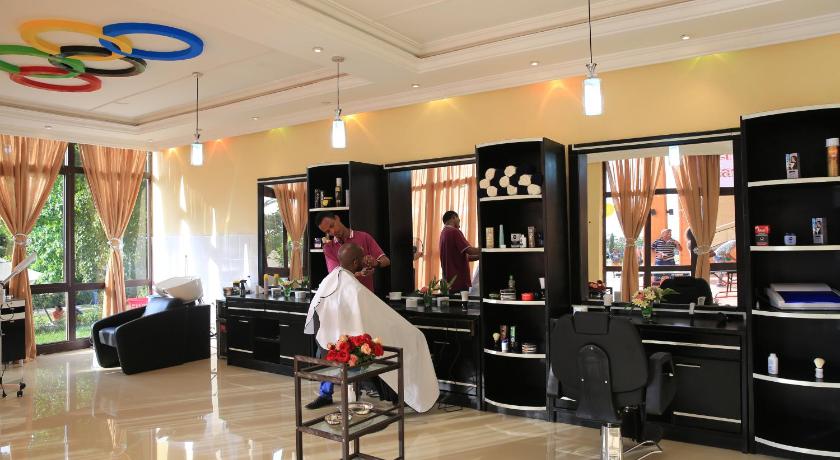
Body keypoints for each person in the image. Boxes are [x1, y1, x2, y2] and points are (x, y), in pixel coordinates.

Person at [304, 243, 439, 411]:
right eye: (362, 258)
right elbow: (377, 315)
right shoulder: (352, 287)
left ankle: (393, 395)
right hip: (339, 338)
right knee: (411, 338)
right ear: (355, 262)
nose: (364, 261)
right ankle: (408, 394)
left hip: (327, 332)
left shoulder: (332, 277)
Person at [316, 211, 390, 292]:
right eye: (328, 231)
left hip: (367, 294)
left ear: (337, 218)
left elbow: (386, 261)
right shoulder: (329, 248)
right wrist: (360, 273)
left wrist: (375, 263)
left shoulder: (364, 237)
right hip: (344, 296)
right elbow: (337, 275)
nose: (333, 231)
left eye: (332, 225)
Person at [439, 211, 480, 293]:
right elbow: (470, 251)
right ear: (453, 217)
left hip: (448, 281)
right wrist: (485, 249)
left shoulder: (443, 233)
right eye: (459, 220)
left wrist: (479, 257)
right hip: (459, 281)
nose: (459, 224)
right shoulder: (454, 231)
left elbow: (461, 257)